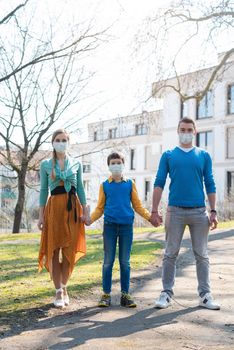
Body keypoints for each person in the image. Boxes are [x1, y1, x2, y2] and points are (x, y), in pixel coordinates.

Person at [151, 117, 220, 310]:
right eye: (182, 129)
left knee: (202, 255)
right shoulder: (169, 155)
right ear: (178, 131)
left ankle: (205, 295)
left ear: (195, 132)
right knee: (170, 254)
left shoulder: (203, 155)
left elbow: (210, 183)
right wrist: (154, 210)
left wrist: (213, 210)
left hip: (199, 212)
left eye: (189, 129)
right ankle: (166, 293)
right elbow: (159, 182)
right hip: (175, 211)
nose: (186, 132)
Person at [86, 152, 151, 308]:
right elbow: (100, 208)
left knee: (125, 262)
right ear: (109, 166)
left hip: (126, 228)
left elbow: (137, 206)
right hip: (109, 227)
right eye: (113, 163)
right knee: (108, 262)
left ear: (123, 164)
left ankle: (125, 295)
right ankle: (106, 295)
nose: (116, 165)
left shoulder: (130, 184)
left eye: (118, 162)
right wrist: (90, 219)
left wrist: (150, 217)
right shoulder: (105, 185)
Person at [38, 129, 88, 308]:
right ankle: (58, 290)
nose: (61, 142)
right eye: (57, 140)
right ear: (52, 142)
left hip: (73, 209)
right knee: (53, 250)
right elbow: (44, 191)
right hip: (54, 209)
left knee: (69, 250)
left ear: (69, 142)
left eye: (64, 140)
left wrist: (86, 211)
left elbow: (81, 188)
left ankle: (64, 286)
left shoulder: (76, 163)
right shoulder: (45, 165)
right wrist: (41, 216)